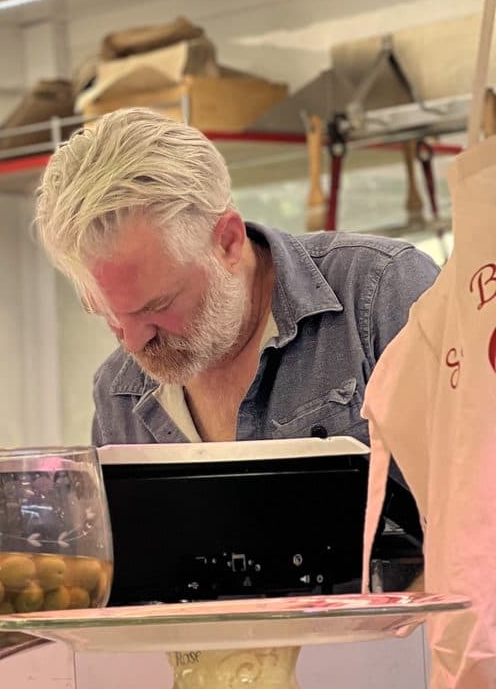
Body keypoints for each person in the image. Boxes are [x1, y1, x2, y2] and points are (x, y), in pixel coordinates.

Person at [34, 108, 440, 447]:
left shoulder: (380, 294)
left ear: (227, 241)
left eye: (156, 306)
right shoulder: (118, 395)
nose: (134, 343)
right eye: (108, 315)